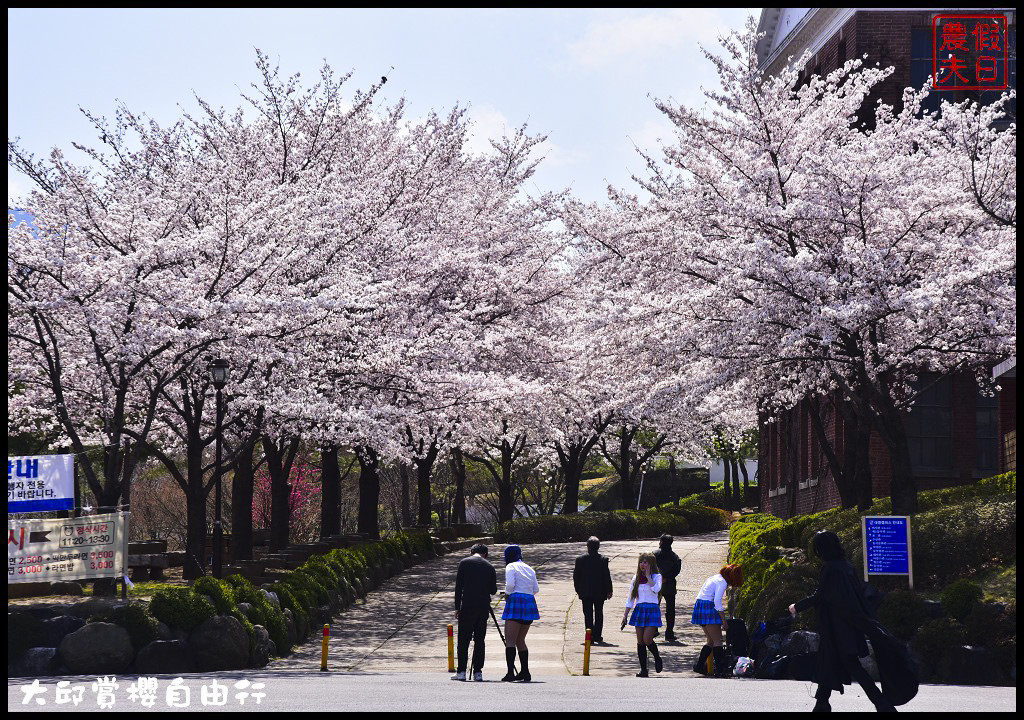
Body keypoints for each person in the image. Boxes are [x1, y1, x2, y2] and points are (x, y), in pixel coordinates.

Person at [789, 531, 918, 712]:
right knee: (830, 662)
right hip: (850, 626)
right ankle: (822, 703)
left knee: (852, 666)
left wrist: (797, 606)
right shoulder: (847, 567)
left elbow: (821, 596)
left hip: (837, 630)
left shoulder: (830, 569)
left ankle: (882, 703)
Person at [452, 543, 497, 682]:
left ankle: (461, 672)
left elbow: (458, 587)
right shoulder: (489, 566)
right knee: (479, 640)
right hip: (483, 607)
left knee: (463, 639)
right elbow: (493, 590)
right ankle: (478, 672)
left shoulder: (464, 563)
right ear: (486, 554)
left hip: (467, 606)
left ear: (472, 552)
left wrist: (457, 607)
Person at [690, 563, 743, 677]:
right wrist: (724, 620)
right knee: (718, 641)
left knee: (711, 641)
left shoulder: (714, 577)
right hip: (709, 607)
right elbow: (717, 602)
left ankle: (699, 666)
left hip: (700, 606)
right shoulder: (722, 582)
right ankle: (720, 670)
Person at [500, 544, 540, 682]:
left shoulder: (510, 566)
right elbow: (536, 589)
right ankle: (525, 672)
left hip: (516, 600)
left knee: (510, 640)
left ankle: (510, 672)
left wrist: (506, 594)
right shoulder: (530, 568)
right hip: (529, 601)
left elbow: (510, 585)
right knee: (520, 640)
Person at [621, 552, 664, 677]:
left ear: (651, 564)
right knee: (640, 641)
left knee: (647, 639)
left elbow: (656, 589)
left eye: (645, 562)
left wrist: (648, 577)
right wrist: (625, 615)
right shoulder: (636, 578)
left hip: (652, 610)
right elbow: (631, 598)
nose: (643, 565)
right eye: (641, 562)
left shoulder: (657, 577)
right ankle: (643, 670)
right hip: (639, 609)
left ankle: (657, 658)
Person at [573, 536, 613, 643]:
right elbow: (606, 576)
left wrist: (577, 589)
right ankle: (597, 635)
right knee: (599, 613)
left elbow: (576, 576)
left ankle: (589, 637)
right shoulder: (603, 560)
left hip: (585, 591)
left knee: (588, 614)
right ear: (598, 547)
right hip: (600, 592)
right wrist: (609, 590)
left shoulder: (580, 560)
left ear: (588, 546)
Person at [653, 533, 681, 642]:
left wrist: (659, 577)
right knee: (670, 610)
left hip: (656, 585)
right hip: (669, 584)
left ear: (662, 542)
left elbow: (650, 569)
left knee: (655, 607)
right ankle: (669, 633)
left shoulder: (654, 555)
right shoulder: (675, 557)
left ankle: (654, 629)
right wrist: (666, 577)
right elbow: (676, 571)